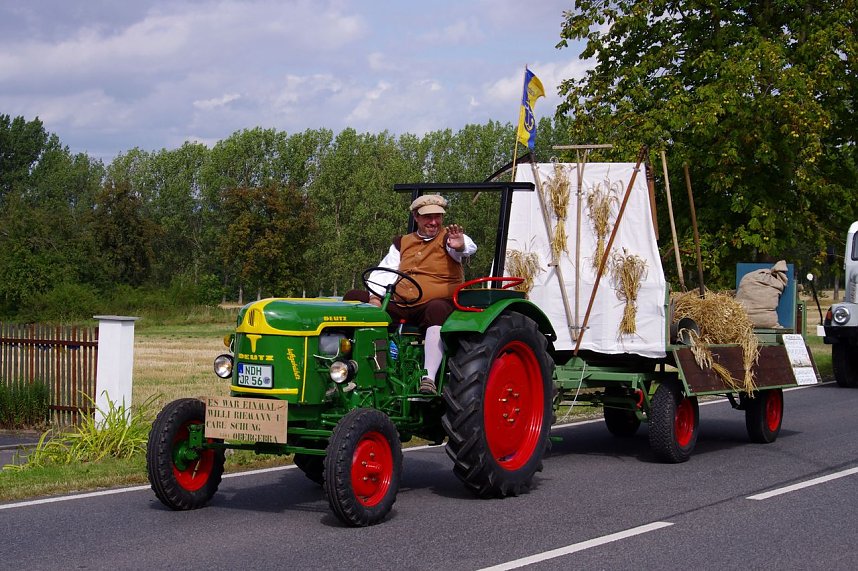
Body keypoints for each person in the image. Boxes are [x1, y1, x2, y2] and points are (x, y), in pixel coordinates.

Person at [367, 194, 477, 395]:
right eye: (428, 217)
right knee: (355, 299)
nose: (433, 222)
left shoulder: (449, 239)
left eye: (438, 216)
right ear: (416, 217)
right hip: (402, 303)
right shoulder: (402, 243)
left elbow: (466, 248)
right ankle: (358, 370)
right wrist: (374, 298)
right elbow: (383, 272)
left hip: (432, 305)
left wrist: (459, 245)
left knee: (436, 309)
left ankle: (428, 378)